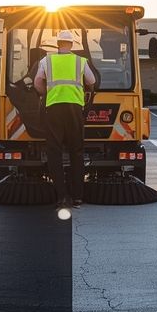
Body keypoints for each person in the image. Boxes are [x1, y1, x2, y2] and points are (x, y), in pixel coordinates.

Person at [34, 29, 96, 208]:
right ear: (71, 45)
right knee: (76, 152)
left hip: (53, 110)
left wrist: (46, 92)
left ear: (58, 44)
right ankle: (77, 197)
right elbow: (91, 82)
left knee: (54, 152)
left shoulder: (47, 61)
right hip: (75, 110)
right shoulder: (80, 61)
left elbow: (38, 81)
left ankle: (61, 196)